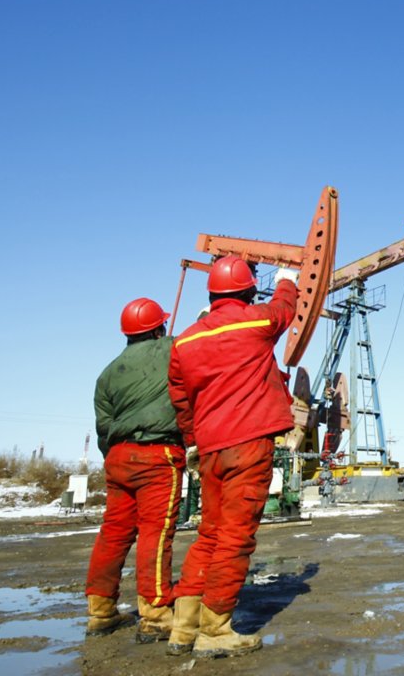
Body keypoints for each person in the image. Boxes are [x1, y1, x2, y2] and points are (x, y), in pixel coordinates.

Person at [165, 256, 299, 659]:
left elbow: (180, 399)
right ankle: (216, 629)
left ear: (211, 293)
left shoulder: (184, 341)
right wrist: (288, 279)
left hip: (209, 449)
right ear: (247, 291)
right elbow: (284, 311)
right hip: (249, 443)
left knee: (209, 533)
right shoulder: (255, 322)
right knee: (235, 537)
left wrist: (193, 440)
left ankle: (183, 626)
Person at [86, 297, 186, 643]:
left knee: (114, 532)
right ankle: (156, 615)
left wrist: (115, 458)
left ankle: (100, 610)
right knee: (156, 534)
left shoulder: (107, 373)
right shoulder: (172, 348)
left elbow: (103, 428)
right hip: (158, 455)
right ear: (159, 327)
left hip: (117, 457)